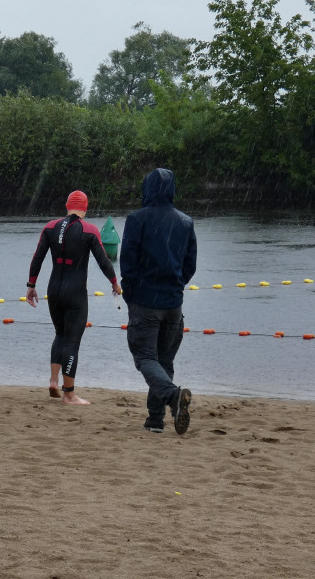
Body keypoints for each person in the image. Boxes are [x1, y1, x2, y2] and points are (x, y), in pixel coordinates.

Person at [26, 190, 122, 405]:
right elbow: (103, 261)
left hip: (54, 290)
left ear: (67, 206)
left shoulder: (50, 227)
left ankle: (53, 381)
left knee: (60, 334)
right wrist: (114, 282)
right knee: (72, 341)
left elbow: (38, 257)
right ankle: (69, 394)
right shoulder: (89, 230)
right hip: (75, 292)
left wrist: (31, 285)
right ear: (85, 209)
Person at [120, 168, 197, 435]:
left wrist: (131, 294)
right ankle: (155, 420)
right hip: (174, 303)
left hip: (145, 301)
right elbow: (190, 265)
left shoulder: (136, 219)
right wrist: (175, 285)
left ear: (147, 188)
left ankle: (173, 397)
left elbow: (127, 263)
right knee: (164, 360)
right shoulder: (185, 222)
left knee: (145, 357)